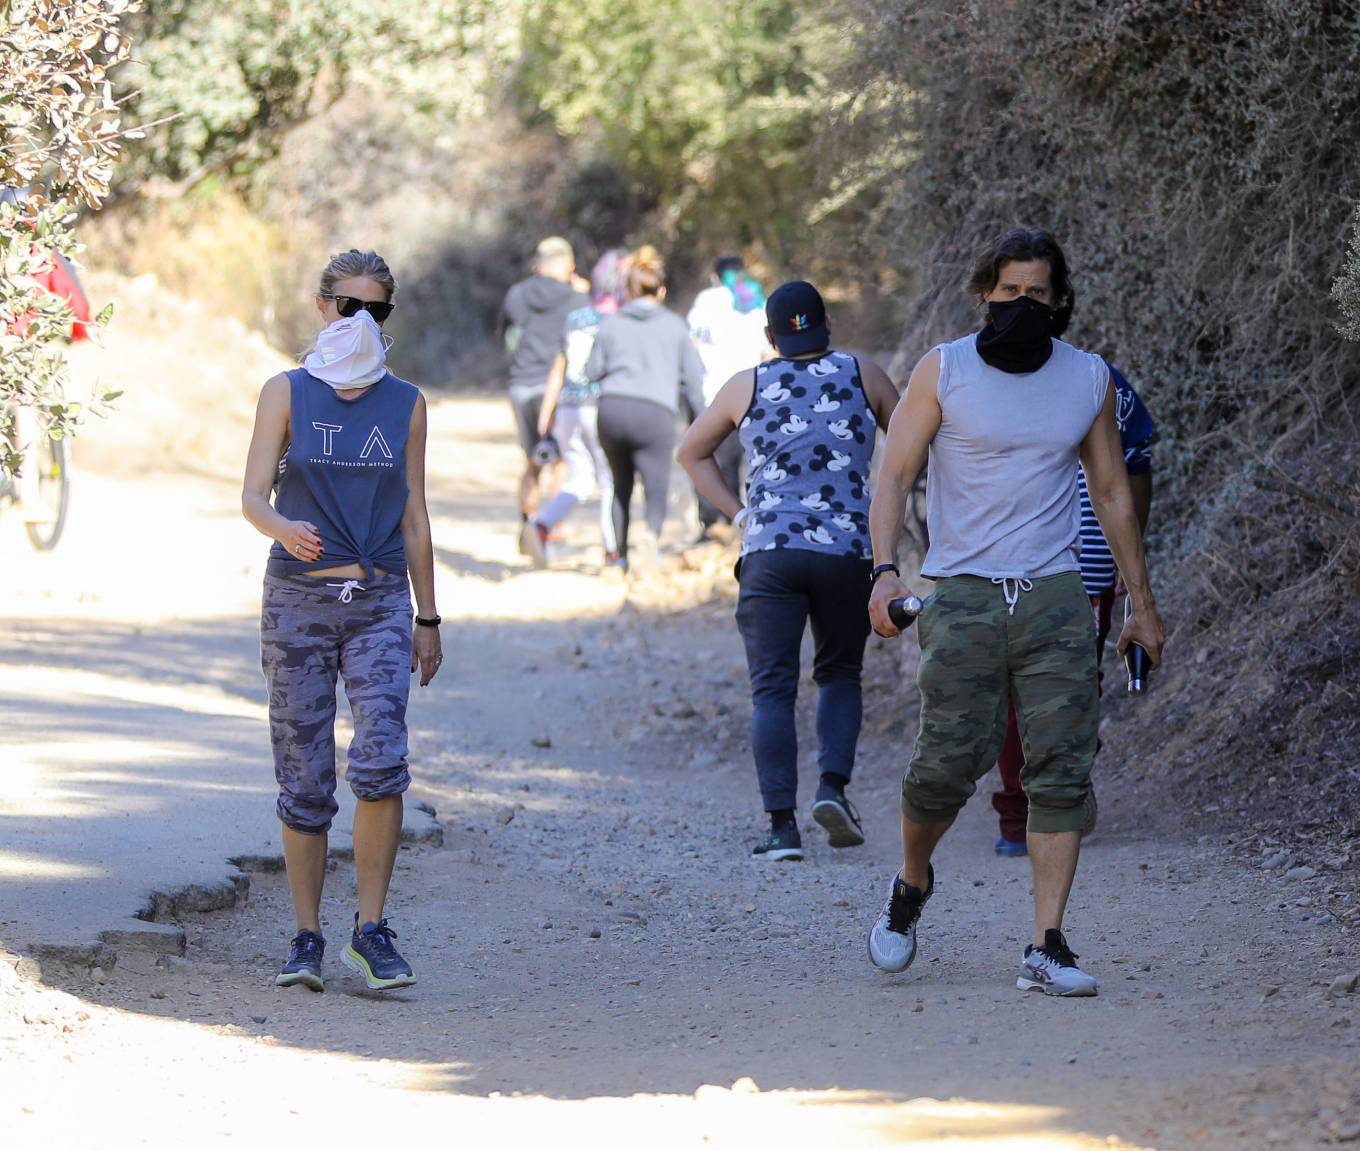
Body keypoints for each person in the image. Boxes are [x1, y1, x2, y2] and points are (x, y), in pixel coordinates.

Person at [864, 228, 1165, 996]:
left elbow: (1110, 492)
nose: (1021, 306)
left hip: (1056, 595)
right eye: (1008, 293)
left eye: (1036, 294)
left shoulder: (1087, 378)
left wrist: (1139, 600)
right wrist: (884, 571)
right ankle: (910, 884)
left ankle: (1047, 943)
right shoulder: (946, 370)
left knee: (1061, 768)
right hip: (961, 591)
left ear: (1058, 299)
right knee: (944, 766)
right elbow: (895, 472)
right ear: (984, 295)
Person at [241, 249, 442, 993]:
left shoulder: (407, 403)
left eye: (377, 310)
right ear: (323, 306)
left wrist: (429, 613)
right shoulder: (286, 391)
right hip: (297, 599)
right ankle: (306, 936)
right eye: (348, 306)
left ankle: (371, 929)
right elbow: (253, 495)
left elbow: (415, 512)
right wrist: (282, 529)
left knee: (383, 758)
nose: (361, 321)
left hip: (382, 600)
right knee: (303, 773)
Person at [679, 281, 898, 860]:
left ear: (770, 336)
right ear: (827, 321)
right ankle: (832, 789)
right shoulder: (864, 373)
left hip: (770, 552)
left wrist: (741, 512)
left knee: (772, 691)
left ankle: (782, 829)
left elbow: (691, 452)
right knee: (839, 674)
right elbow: (909, 449)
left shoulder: (746, 383)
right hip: (848, 552)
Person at [992, 341, 1156, 856]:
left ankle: (1032, 811)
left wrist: (1129, 570)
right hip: (1058, 565)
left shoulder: (994, 381)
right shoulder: (1102, 380)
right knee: (1068, 684)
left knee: (1028, 689)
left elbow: (1133, 471)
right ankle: (1045, 803)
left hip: (1045, 565)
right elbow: (1136, 471)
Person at [586, 245, 705, 571]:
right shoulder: (676, 327)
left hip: (612, 410)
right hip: (655, 412)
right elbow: (694, 383)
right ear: (662, 290)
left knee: (619, 484)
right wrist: (703, 422)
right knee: (655, 484)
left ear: (628, 289)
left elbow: (592, 371)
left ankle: (618, 556)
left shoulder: (610, 324)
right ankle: (650, 539)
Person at [522, 249, 629, 567]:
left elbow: (559, 366)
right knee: (609, 478)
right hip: (598, 406)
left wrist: (548, 409)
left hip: (568, 407)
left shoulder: (576, 318)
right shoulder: (619, 320)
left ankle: (540, 525)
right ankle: (614, 552)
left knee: (580, 478)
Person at [499, 236, 590, 542]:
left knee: (532, 459)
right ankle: (549, 528)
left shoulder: (516, 294)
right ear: (570, 266)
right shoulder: (578, 299)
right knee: (560, 458)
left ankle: (527, 519)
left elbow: (505, 334)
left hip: (521, 384)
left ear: (537, 266)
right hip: (557, 388)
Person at [686, 255, 770, 538]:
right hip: (752, 393)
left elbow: (692, 342)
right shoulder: (757, 300)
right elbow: (769, 350)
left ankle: (716, 523)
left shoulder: (706, 300)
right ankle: (747, 521)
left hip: (713, 391)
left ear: (714, 276)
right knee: (743, 460)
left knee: (709, 457)